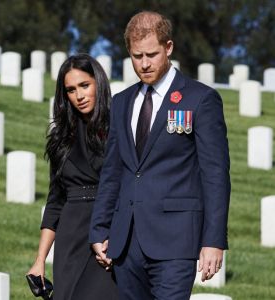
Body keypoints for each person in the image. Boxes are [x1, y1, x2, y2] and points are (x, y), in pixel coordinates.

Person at [89, 11, 231, 300]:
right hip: (126, 241)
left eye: (151, 54)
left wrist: (213, 240)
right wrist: (99, 230)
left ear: (169, 48)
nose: (144, 64)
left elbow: (215, 175)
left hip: (176, 241)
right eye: (136, 56)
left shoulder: (200, 99)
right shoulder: (122, 102)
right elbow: (113, 171)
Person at [27, 54, 118, 300]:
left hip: (109, 230)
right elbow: (55, 202)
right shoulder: (61, 139)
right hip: (71, 235)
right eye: (70, 89)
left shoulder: (120, 129)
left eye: (84, 86)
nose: (79, 96)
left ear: (98, 82)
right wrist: (39, 260)